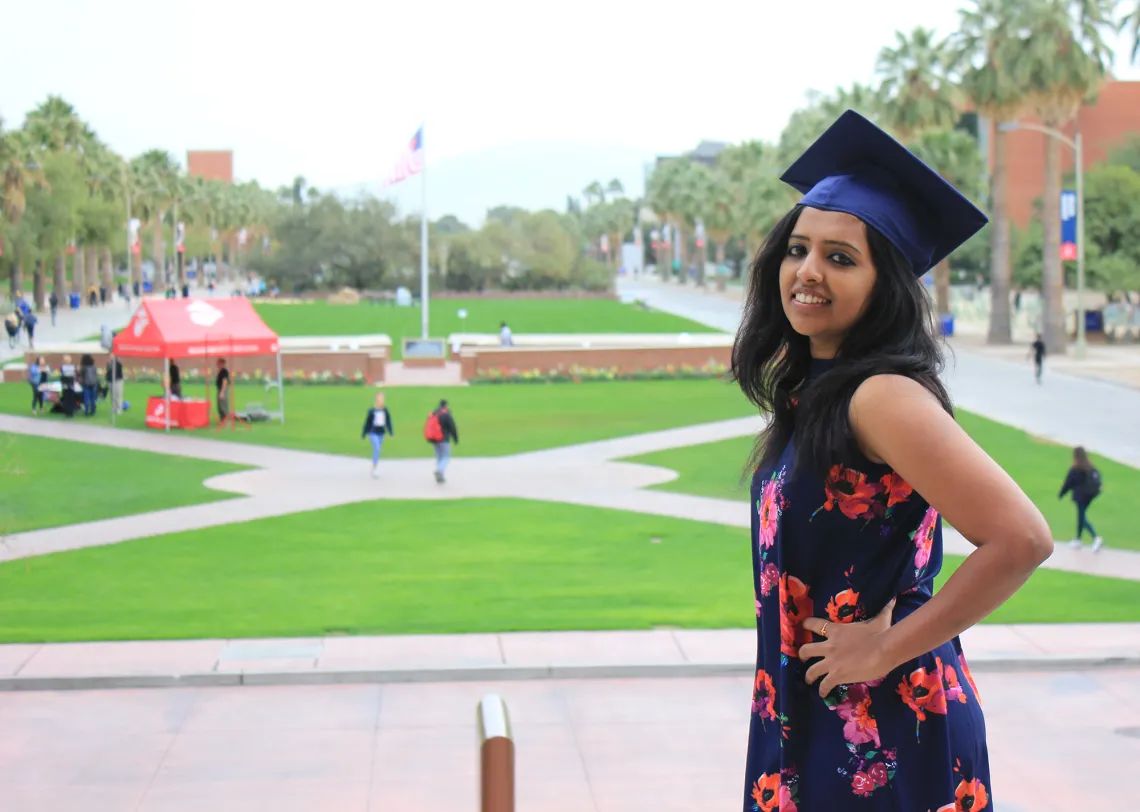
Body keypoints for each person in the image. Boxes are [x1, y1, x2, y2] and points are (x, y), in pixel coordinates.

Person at [731, 110, 1053, 811]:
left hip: (883, 732)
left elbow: (1022, 539)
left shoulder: (881, 397)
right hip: (812, 712)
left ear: (886, 284)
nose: (808, 272)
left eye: (841, 258)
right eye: (798, 249)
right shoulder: (814, 394)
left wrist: (883, 650)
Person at [1059, 445, 1103, 552]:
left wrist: (1062, 493)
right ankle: (1078, 539)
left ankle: (1096, 537)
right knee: (1081, 517)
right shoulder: (1090, 467)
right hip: (1090, 496)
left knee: (1082, 518)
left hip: (1080, 496)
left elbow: (1069, 482)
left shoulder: (1076, 468)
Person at [361, 391, 394, 478]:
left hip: (381, 433)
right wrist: (364, 433)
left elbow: (388, 422)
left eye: (382, 398)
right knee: (377, 447)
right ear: (376, 400)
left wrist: (391, 432)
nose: (381, 400)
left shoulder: (385, 410)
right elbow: (367, 422)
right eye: (379, 399)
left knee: (377, 450)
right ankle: (374, 469)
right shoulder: (372, 410)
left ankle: (374, 466)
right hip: (373, 432)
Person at [426, 399, 459, 483]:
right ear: (446, 405)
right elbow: (452, 427)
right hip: (444, 439)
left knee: (439, 457)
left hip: (434, 440)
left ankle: (440, 476)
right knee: (446, 457)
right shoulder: (446, 414)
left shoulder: (434, 413)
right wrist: (455, 439)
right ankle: (439, 471)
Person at [215, 358, 231, 423]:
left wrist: (222, 391)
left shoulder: (224, 371)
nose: (217, 364)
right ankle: (222, 420)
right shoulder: (221, 371)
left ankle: (226, 420)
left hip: (223, 390)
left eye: (218, 363)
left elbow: (225, 381)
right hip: (220, 389)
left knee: (223, 406)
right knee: (219, 406)